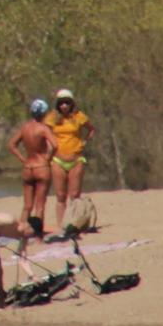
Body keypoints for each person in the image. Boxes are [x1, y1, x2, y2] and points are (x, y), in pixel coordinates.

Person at [47, 88, 94, 236]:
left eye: (67, 103)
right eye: (61, 103)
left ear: (72, 103)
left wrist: (84, 142)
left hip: (76, 158)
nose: (64, 106)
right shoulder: (52, 118)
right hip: (58, 159)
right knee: (60, 196)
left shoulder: (79, 117)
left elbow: (91, 129)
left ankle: (74, 225)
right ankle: (61, 226)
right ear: (58, 104)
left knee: (74, 195)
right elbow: (45, 133)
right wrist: (49, 148)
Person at [9, 99, 56, 238]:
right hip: (41, 166)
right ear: (45, 113)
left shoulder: (25, 128)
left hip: (28, 167)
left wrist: (23, 159)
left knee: (27, 206)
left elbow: (11, 145)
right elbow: (55, 145)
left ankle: (21, 234)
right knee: (40, 205)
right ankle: (38, 236)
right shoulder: (43, 128)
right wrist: (48, 157)